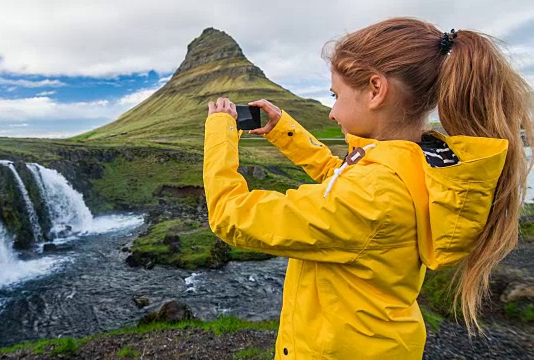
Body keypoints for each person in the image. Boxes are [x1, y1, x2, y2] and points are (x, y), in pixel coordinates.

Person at [203, 17, 534, 359]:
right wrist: (284, 132)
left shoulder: (373, 194)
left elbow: (232, 215)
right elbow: (341, 175)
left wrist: (219, 132)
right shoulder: (417, 160)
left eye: (336, 95)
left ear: (376, 90)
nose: (332, 112)